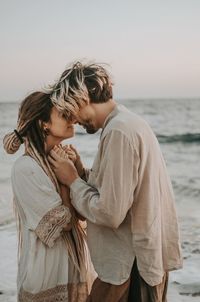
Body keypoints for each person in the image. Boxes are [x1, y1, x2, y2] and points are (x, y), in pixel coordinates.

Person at [47, 62, 183, 302]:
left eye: (71, 111)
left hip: (130, 266)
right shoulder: (128, 122)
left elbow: (110, 212)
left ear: (82, 98)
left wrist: (72, 181)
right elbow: (122, 190)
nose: (74, 120)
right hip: (141, 259)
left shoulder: (119, 132)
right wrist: (81, 172)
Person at [3, 91, 93, 302]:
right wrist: (66, 181)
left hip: (72, 270)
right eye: (63, 114)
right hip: (47, 277)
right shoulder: (26, 168)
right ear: (44, 124)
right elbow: (65, 223)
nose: (72, 118)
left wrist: (77, 170)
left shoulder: (61, 160)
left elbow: (84, 213)